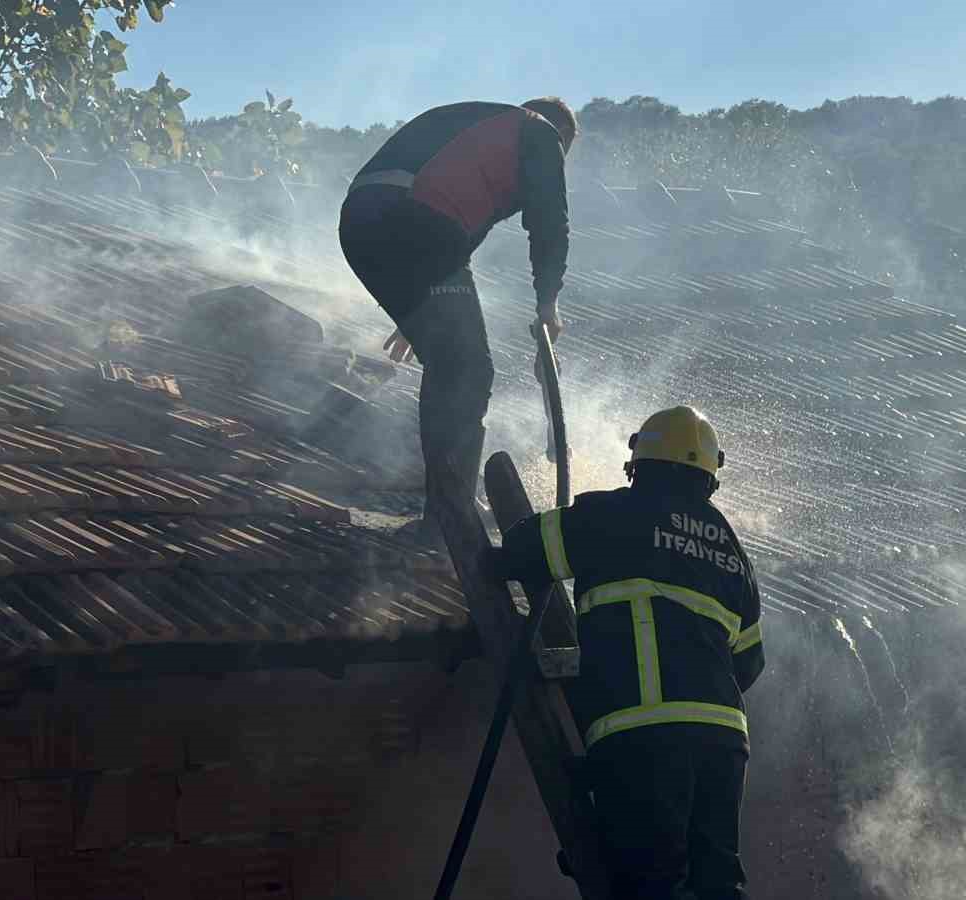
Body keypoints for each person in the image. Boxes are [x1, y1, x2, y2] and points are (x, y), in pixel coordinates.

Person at [489, 406, 765, 900]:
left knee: (650, 885)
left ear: (637, 465)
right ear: (708, 478)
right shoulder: (731, 549)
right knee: (719, 884)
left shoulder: (613, 515)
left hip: (644, 739)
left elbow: (522, 550)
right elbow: (750, 660)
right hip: (724, 744)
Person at [338, 97, 576, 543]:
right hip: (412, 220)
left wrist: (420, 307)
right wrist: (548, 303)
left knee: (451, 363)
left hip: (362, 223)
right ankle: (450, 519)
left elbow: (460, 234)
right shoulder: (541, 130)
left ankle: (448, 505)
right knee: (469, 370)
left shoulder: (483, 135)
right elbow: (550, 223)